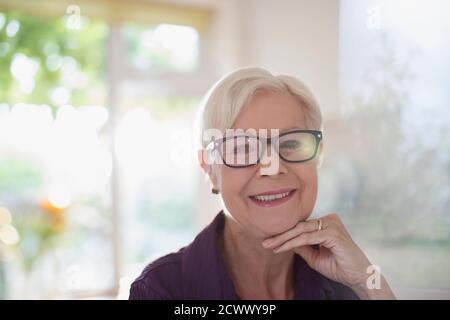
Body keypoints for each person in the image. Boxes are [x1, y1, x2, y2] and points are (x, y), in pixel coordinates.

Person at [129, 67, 396, 300]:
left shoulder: (345, 285)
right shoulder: (161, 290)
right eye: (243, 147)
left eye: (291, 143)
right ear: (210, 169)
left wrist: (366, 281)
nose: (273, 167)